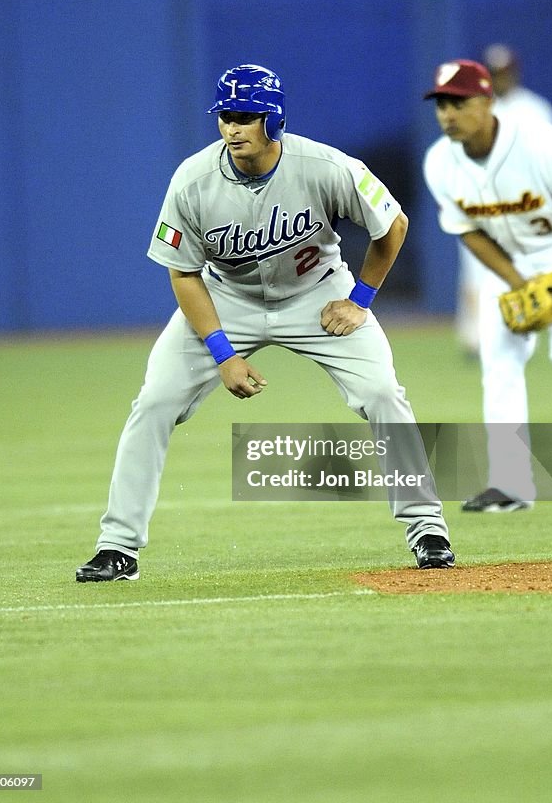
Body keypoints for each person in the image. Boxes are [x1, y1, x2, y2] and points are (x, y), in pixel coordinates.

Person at [76, 63, 454, 580]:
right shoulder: (193, 180)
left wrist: (360, 299)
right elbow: (184, 274)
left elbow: (393, 225)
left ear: (272, 120)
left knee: (383, 393)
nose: (232, 128)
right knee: (155, 403)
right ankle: (117, 546)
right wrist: (223, 353)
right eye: (225, 117)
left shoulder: (325, 165)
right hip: (226, 299)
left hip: (317, 294)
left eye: (245, 117)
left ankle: (427, 527)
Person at [422, 58, 552, 511]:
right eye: (441, 105)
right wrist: (516, 283)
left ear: (488, 101)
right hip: (511, 263)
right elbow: (467, 230)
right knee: (499, 361)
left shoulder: (538, 141)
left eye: (458, 102)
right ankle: (510, 485)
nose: (447, 114)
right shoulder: (439, 161)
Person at [455, 45, 552, 357]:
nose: (500, 78)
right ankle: (474, 339)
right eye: (493, 73)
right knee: (475, 272)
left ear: (514, 72)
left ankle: (521, 331)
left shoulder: (536, 109)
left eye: (503, 72)